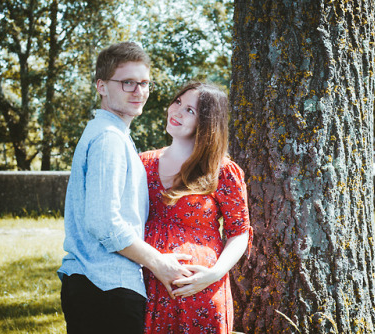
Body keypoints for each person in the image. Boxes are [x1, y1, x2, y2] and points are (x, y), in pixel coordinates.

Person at [57, 42, 191, 334]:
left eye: (144, 83)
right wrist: (159, 263)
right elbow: (104, 223)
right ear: (102, 86)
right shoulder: (109, 139)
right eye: (128, 82)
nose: (138, 91)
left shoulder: (113, 134)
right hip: (104, 288)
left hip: (99, 287)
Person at [140, 82, 253, 333]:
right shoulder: (142, 163)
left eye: (190, 110)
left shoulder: (222, 170)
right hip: (146, 283)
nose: (177, 111)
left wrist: (215, 274)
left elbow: (239, 232)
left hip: (201, 289)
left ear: (207, 123)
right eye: (178, 102)